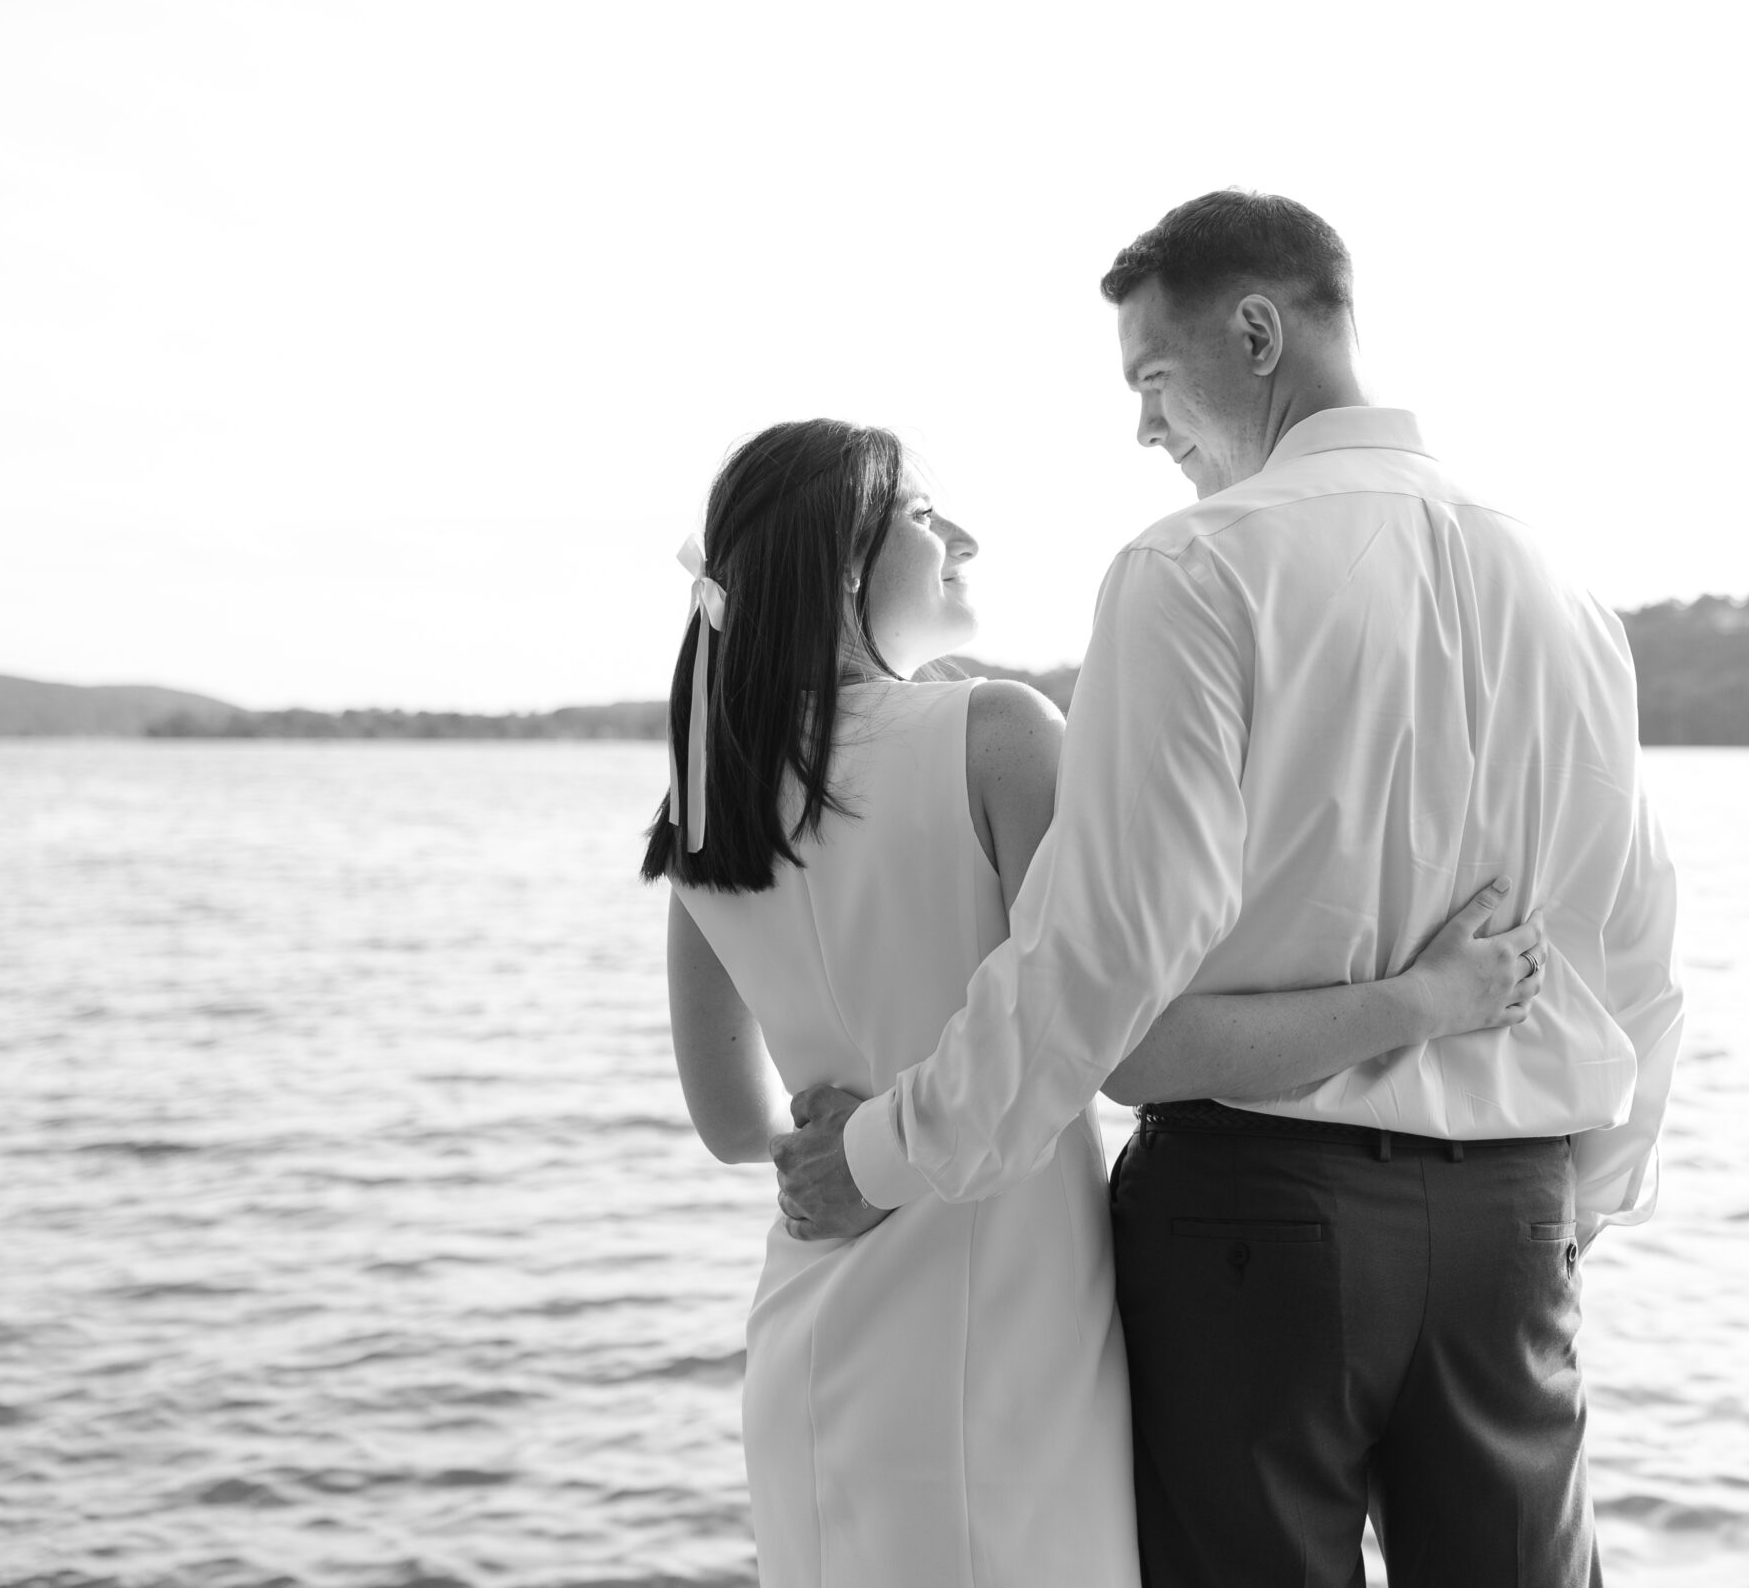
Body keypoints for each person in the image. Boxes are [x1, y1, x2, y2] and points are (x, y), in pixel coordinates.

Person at [773, 190, 1688, 1587]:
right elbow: (1638, 946)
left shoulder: (1193, 567)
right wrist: (1576, 1211)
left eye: (1152, 376)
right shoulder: (1564, 594)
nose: (1144, 427)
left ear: (1257, 333)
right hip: (1515, 1223)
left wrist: (879, 1155)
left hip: (1255, 1225)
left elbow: (1098, 958)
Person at [650, 417, 1551, 1588]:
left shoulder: (710, 801)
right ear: (843, 569)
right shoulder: (992, 734)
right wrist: (1420, 997)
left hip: (811, 1327)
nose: (960, 537)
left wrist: (838, 1142)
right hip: (1004, 1331)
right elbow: (1122, 1021)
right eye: (921, 515)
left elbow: (733, 1123)